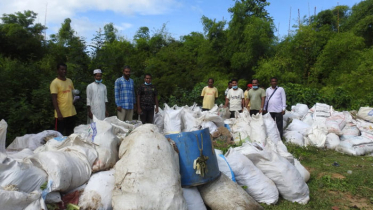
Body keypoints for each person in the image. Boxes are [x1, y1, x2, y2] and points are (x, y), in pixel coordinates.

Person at [50, 63, 77, 136]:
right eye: (62, 69)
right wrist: (58, 112)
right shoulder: (55, 83)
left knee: (70, 133)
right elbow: (54, 98)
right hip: (61, 114)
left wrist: (75, 98)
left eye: (65, 69)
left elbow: (73, 93)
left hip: (71, 112)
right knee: (59, 134)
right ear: (57, 71)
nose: (64, 71)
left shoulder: (69, 81)